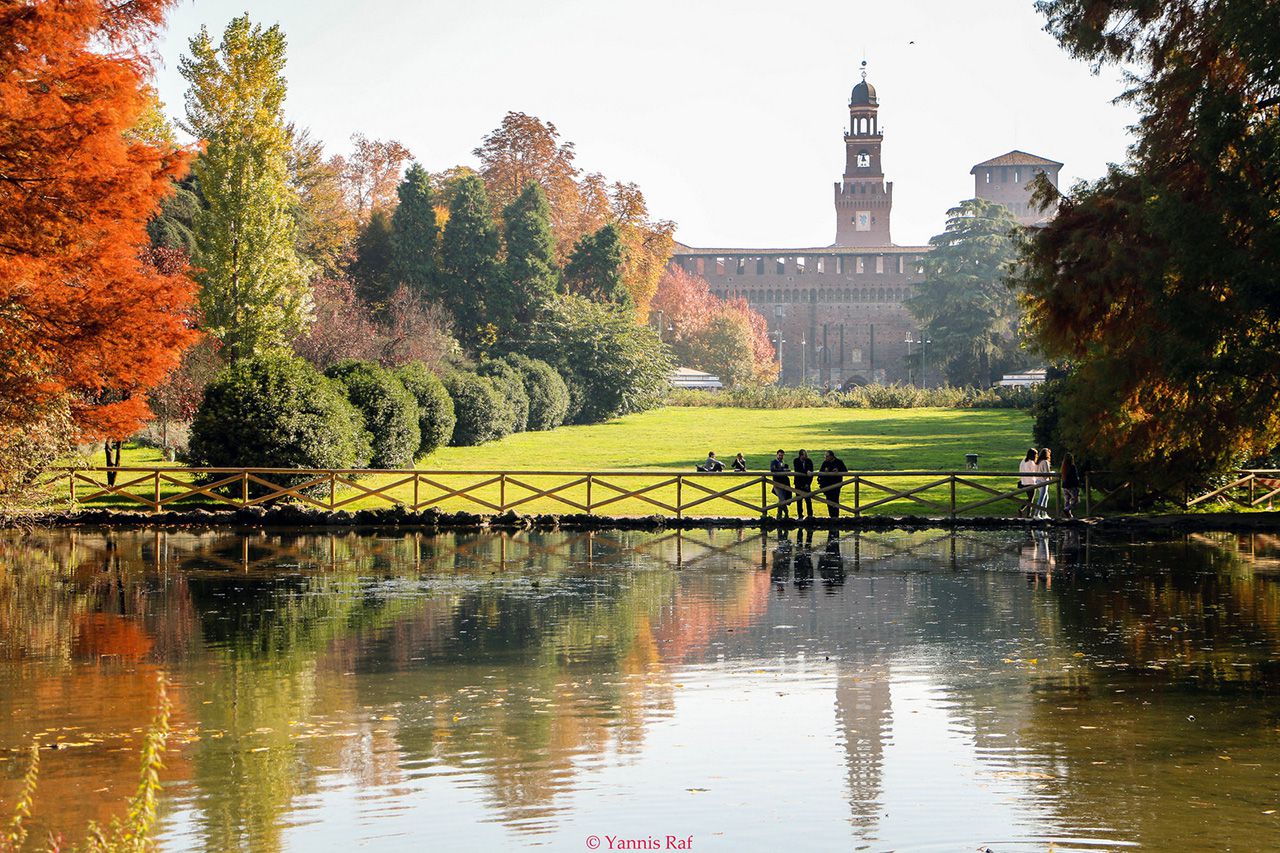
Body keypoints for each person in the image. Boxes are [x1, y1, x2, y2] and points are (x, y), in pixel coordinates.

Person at [818, 450, 849, 517]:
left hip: (836, 485)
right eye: (825, 456)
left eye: (827, 456)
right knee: (829, 501)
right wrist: (824, 472)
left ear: (831, 456)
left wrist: (838, 471)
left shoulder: (839, 462)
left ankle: (836, 516)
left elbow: (845, 471)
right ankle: (831, 516)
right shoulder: (825, 463)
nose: (826, 458)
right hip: (827, 485)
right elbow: (820, 472)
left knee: (835, 500)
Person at [793, 449, 815, 519]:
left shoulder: (809, 461)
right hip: (798, 483)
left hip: (807, 483)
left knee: (808, 500)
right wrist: (807, 471)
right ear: (801, 455)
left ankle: (810, 515)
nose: (806, 456)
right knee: (799, 500)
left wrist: (808, 483)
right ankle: (800, 515)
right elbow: (798, 469)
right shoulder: (796, 461)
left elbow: (811, 471)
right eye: (804, 455)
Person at [770, 449, 791, 519]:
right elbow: (772, 470)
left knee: (781, 500)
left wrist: (786, 470)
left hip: (784, 484)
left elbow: (788, 470)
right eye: (779, 455)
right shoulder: (773, 462)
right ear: (777, 455)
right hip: (777, 484)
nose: (780, 457)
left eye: (782, 455)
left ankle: (779, 515)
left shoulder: (784, 463)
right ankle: (786, 513)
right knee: (782, 499)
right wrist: (783, 470)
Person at [1017, 448, 1038, 518]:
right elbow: (1035, 472)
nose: (1036, 456)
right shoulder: (1031, 462)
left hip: (1024, 482)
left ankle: (1022, 510)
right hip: (1031, 482)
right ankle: (1027, 513)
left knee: (1029, 498)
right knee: (1030, 499)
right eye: (1035, 455)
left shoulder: (1023, 461)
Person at [1060, 451, 1081, 518]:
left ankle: (1069, 515)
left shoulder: (1063, 467)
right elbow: (1075, 477)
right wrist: (1078, 485)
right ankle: (1066, 510)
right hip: (1072, 486)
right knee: (1076, 500)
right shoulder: (1072, 467)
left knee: (1067, 500)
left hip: (1065, 485)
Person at [1034, 447, 1053, 518]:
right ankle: (1036, 514)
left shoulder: (1038, 462)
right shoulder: (1045, 462)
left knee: (1046, 497)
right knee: (1042, 497)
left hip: (1038, 480)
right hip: (1043, 481)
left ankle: (1044, 513)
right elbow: (1047, 473)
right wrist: (1052, 474)